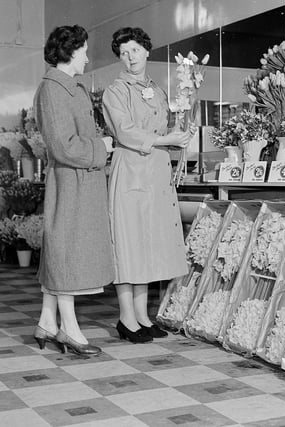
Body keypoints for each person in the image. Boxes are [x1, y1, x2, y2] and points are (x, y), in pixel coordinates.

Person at [102, 27, 194, 343]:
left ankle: (142, 316)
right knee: (129, 246)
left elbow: (164, 127)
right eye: (124, 53)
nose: (130, 58)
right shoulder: (115, 91)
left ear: (146, 51)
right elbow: (125, 132)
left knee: (147, 247)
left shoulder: (156, 90)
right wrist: (165, 139)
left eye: (135, 51)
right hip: (130, 172)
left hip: (154, 173)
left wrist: (180, 131)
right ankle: (126, 318)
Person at [32, 25, 114, 356]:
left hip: (80, 183)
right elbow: (64, 146)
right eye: (84, 51)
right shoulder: (53, 90)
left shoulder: (69, 88)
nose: (88, 57)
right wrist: (102, 145)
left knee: (63, 252)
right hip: (70, 185)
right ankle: (69, 329)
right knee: (66, 255)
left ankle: (47, 322)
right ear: (69, 52)